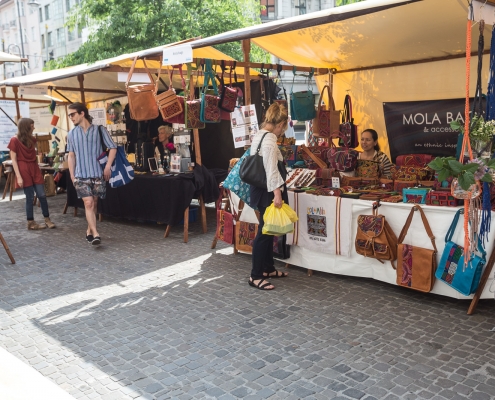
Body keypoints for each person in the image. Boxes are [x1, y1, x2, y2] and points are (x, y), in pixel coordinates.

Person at [248, 103, 289, 291]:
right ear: (280, 124)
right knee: (265, 232)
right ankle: (255, 275)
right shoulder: (270, 139)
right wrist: (277, 193)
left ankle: (267, 268)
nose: (282, 132)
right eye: (283, 128)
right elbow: (271, 168)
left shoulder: (260, 134)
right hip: (267, 190)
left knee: (268, 229)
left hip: (259, 188)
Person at [67, 102, 117, 245]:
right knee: (88, 203)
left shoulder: (100, 130)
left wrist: (107, 166)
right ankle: (96, 234)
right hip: (80, 175)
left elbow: (113, 147)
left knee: (94, 203)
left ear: (82, 113)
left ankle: (89, 229)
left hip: (97, 173)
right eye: (69, 115)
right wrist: (72, 175)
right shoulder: (71, 134)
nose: (71, 117)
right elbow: (71, 155)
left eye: (73, 114)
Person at [8, 118, 56, 230]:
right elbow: (14, 160)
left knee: (42, 195)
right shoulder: (14, 140)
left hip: (34, 167)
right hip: (23, 169)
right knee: (29, 197)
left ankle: (47, 219)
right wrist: (19, 176)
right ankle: (31, 222)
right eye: (32, 125)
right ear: (26, 127)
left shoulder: (32, 140)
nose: (34, 127)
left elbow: (34, 154)